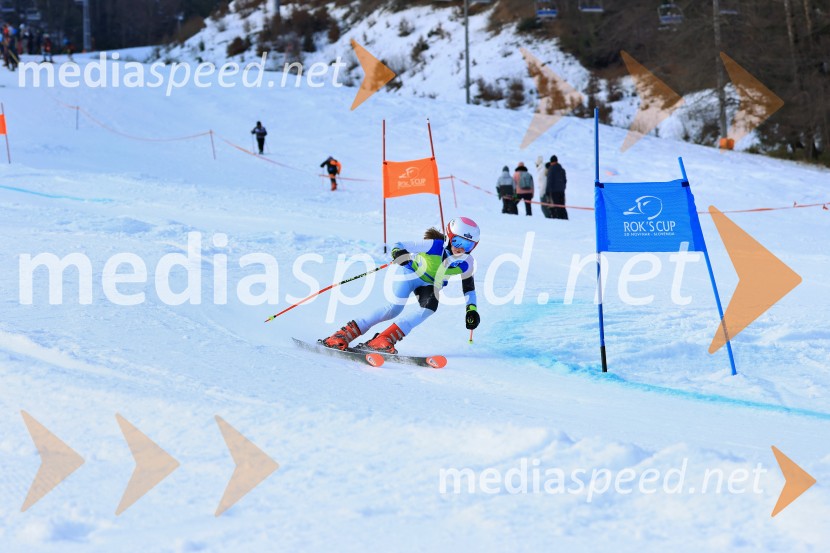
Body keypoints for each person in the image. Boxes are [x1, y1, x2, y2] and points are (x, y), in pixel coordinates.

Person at [322, 217, 481, 353]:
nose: (461, 248)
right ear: (449, 236)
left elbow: (469, 289)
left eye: (468, 245)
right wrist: (398, 254)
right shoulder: (434, 245)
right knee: (393, 309)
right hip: (410, 275)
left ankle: (383, 339)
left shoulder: (467, 262)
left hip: (430, 285)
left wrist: (471, 310)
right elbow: (399, 244)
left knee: (428, 309)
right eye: (457, 241)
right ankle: (341, 335)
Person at [545, 155, 568, 220]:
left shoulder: (551, 169)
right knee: (562, 205)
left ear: (551, 161)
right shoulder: (562, 169)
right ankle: (565, 218)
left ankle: (559, 218)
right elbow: (565, 180)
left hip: (554, 191)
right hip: (561, 190)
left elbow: (549, 180)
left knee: (557, 205)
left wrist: (547, 191)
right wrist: (563, 187)